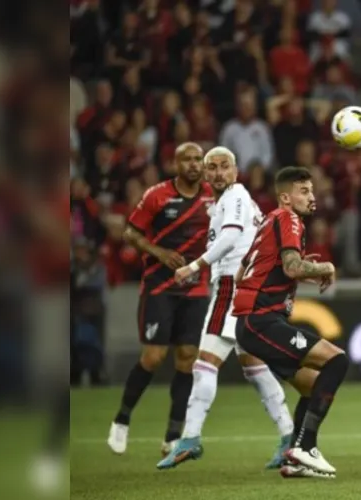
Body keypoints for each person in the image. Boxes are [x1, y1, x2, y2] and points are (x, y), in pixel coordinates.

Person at [157, 147, 295, 470]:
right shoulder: (231, 200)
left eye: (225, 166)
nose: (218, 173)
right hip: (248, 287)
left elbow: (232, 235)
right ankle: (289, 437)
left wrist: (193, 267)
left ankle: (189, 438)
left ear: (235, 171)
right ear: (206, 174)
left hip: (233, 287)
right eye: (212, 168)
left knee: (204, 363)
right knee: (254, 366)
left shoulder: (234, 196)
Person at [233, 167, 347, 479]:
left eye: (312, 190)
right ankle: (305, 447)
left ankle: (294, 460)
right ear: (286, 197)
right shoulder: (288, 218)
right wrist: (325, 266)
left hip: (253, 323)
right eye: (304, 191)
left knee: (313, 387)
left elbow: (244, 273)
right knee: (337, 361)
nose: (312, 196)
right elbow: (292, 267)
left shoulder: (268, 221)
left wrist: (308, 273)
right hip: (262, 321)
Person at [108, 143, 214, 456]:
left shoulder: (214, 195)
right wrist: (158, 252)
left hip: (195, 289)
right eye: (188, 159)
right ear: (174, 163)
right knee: (153, 357)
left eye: (199, 160)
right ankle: (122, 419)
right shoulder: (157, 195)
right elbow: (130, 233)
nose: (195, 165)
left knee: (187, 358)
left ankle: (172, 434)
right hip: (159, 288)